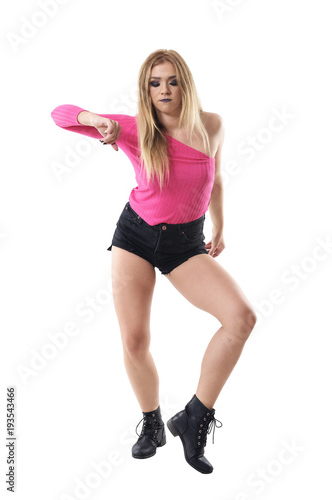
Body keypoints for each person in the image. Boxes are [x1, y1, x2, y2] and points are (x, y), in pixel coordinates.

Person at [51, 48, 257, 475]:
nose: (164, 90)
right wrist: (98, 122)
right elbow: (59, 113)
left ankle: (194, 416)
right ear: (145, 89)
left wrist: (220, 227)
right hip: (135, 236)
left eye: (171, 80)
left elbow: (216, 178)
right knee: (134, 341)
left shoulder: (212, 125)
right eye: (154, 83)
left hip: (185, 244)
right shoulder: (134, 129)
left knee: (241, 319)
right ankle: (152, 424)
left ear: (185, 82)